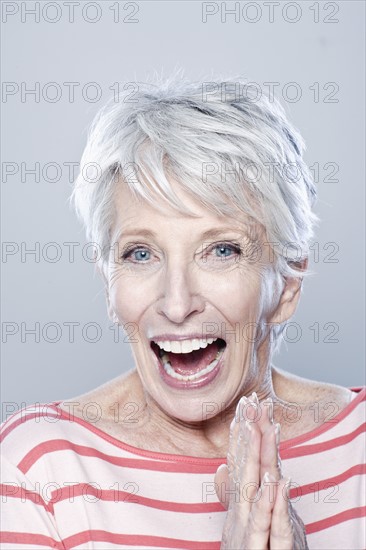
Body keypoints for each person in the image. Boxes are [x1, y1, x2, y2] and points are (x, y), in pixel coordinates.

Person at [1, 72, 365, 550]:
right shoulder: (39, 468)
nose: (176, 305)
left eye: (222, 251)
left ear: (289, 283)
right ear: (109, 282)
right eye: (140, 254)